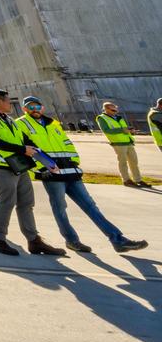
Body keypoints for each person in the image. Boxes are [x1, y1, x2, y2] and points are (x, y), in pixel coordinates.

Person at [17, 96, 147, 253]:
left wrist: (74, 161)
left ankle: (117, 240)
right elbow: (25, 151)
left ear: (42, 108)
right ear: (25, 109)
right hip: (51, 175)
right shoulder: (20, 124)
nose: (35, 110)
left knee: (91, 207)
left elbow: (67, 143)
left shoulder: (53, 123)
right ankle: (72, 241)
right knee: (60, 209)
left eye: (37, 107)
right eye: (30, 107)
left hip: (71, 172)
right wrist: (42, 169)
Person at [0, 89, 64, 257]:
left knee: (26, 203)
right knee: (7, 201)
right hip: (0, 166)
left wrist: (46, 160)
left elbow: (26, 140)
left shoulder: (8, 119)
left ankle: (34, 241)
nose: (11, 104)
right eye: (8, 101)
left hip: (18, 165)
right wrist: (22, 149)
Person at [96, 102, 145, 187]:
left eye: (116, 109)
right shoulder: (102, 118)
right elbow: (107, 130)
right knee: (123, 162)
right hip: (118, 143)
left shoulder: (119, 117)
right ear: (106, 109)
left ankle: (138, 180)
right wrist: (123, 130)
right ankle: (126, 180)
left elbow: (125, 129)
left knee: (134, 161)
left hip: (128, 141)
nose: (115, 111)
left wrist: (130, 131)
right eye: (113, 109)